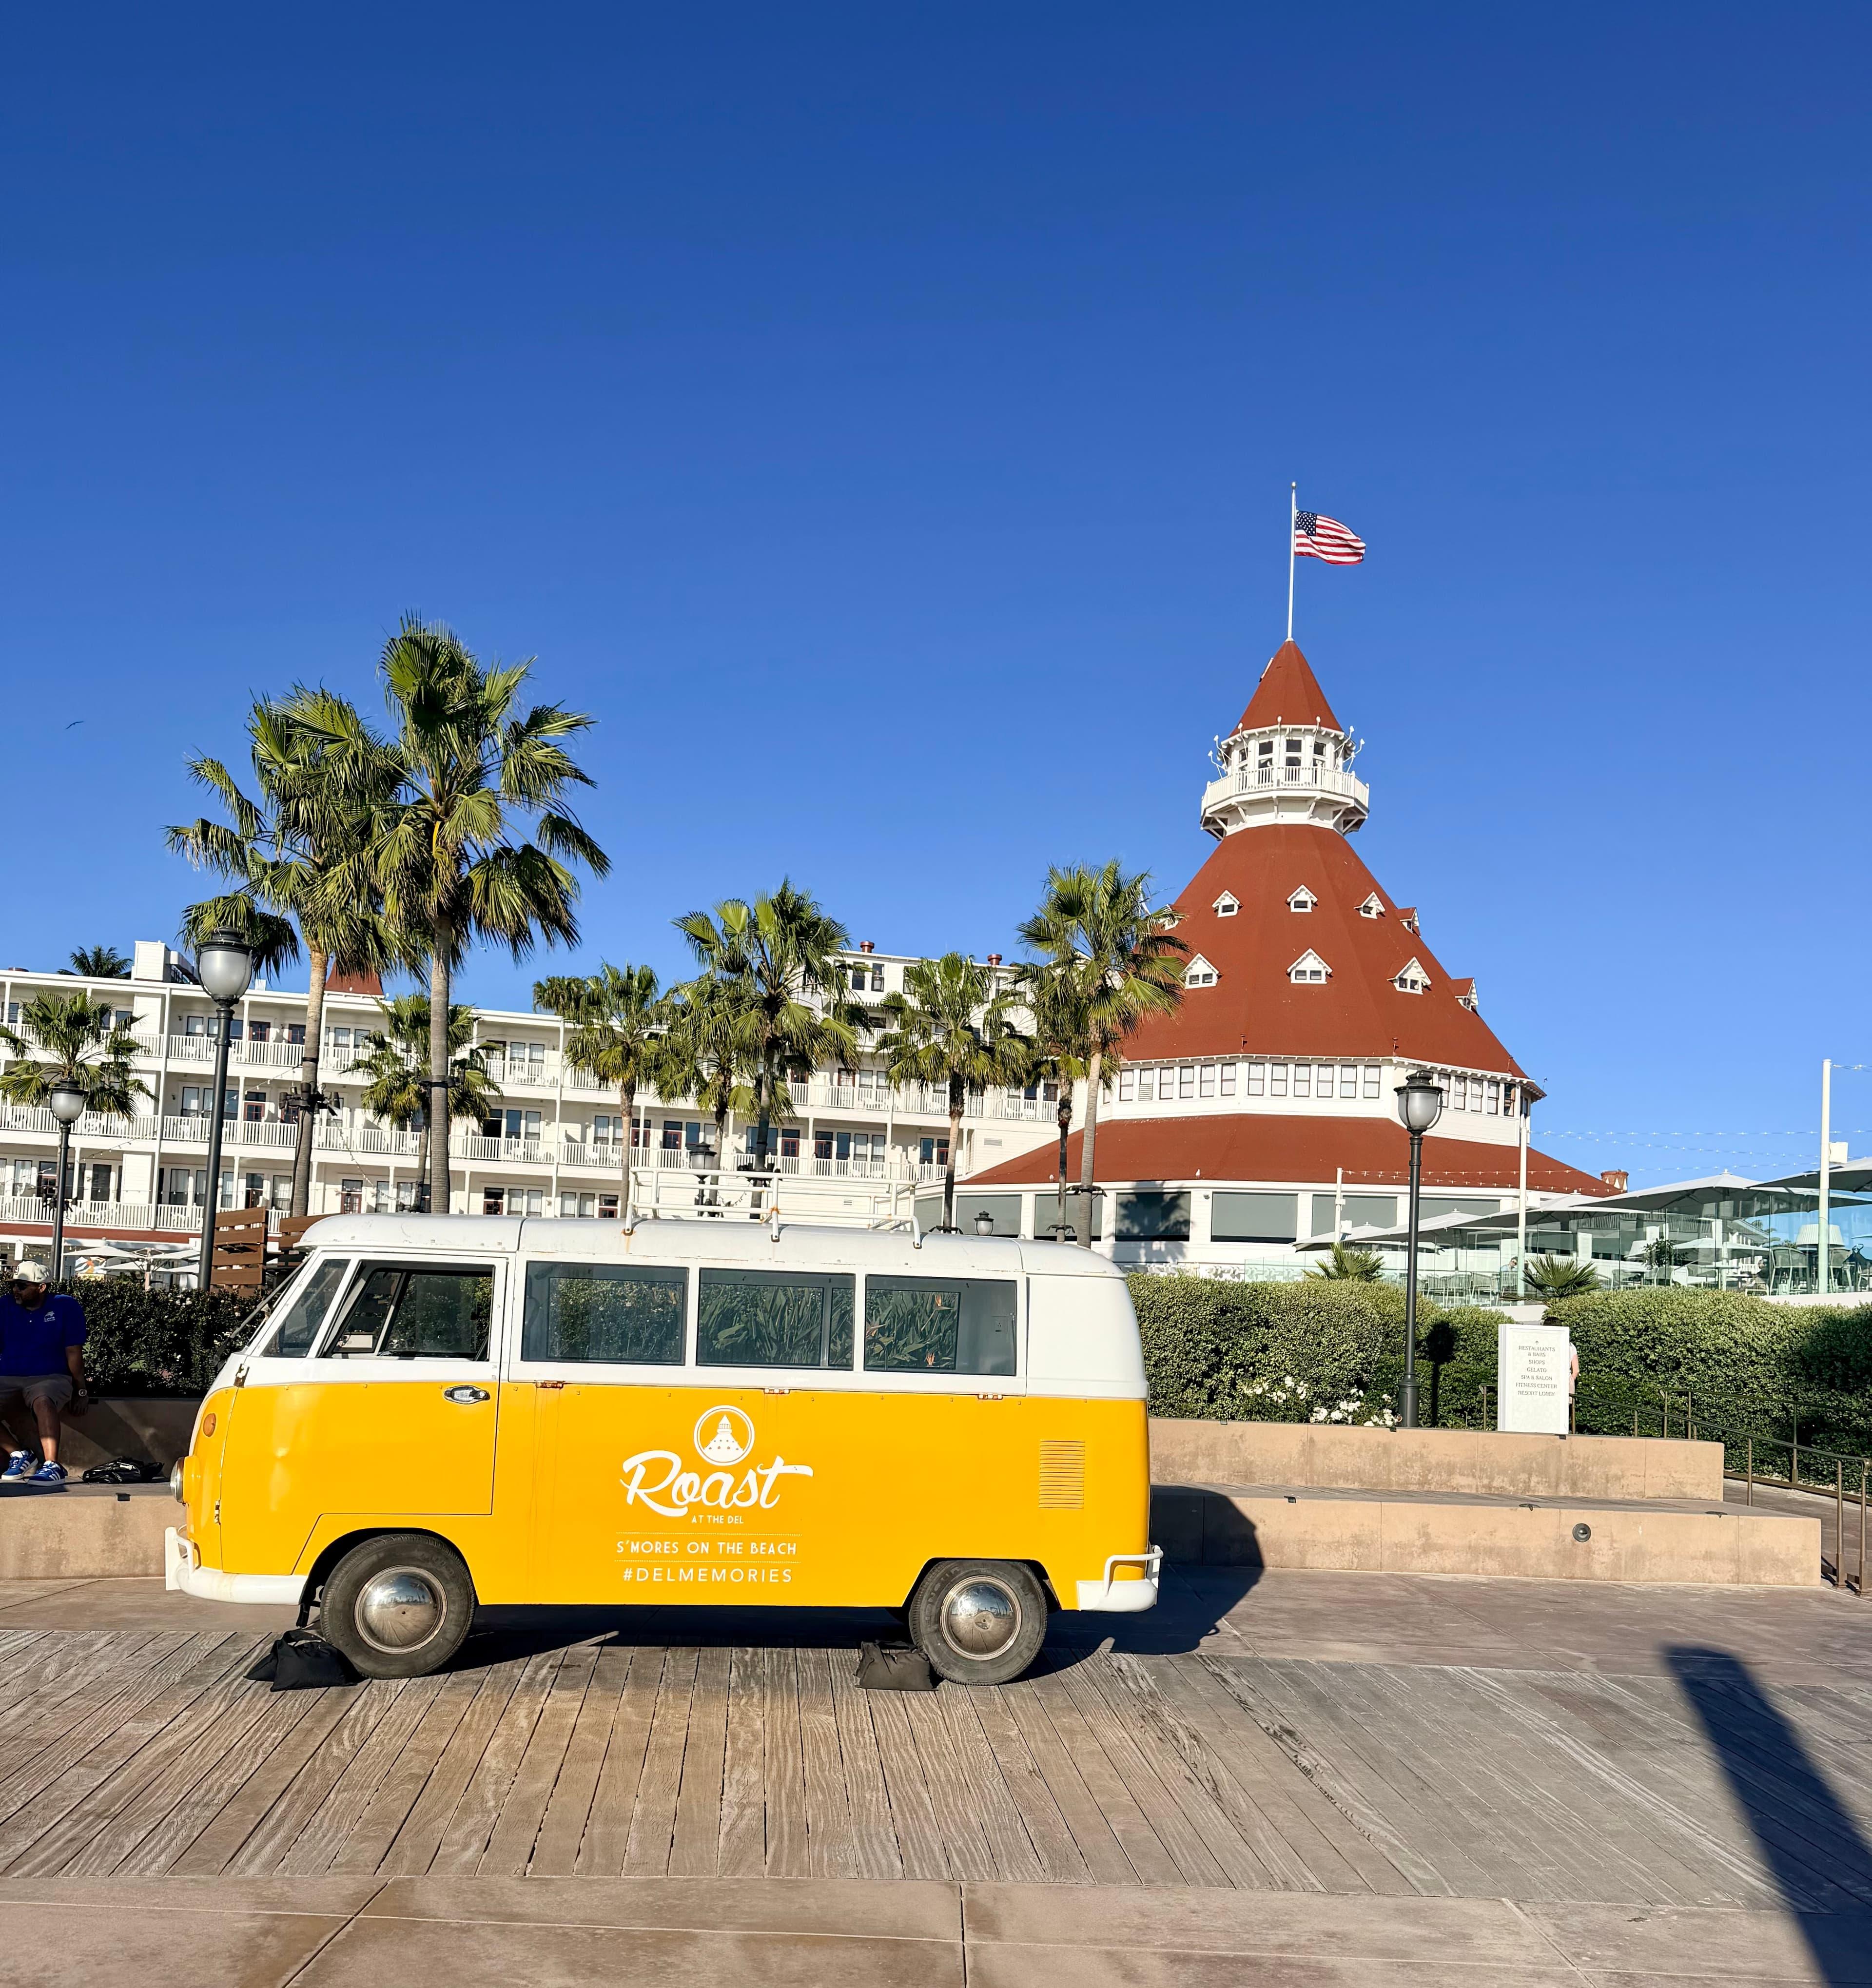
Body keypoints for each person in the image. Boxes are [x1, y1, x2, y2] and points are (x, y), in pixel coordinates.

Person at [0, 1260, 89, 1485]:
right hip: (8, 1376)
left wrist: (80, 1390)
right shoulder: (4, 1306)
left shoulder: (64, 1306)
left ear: (42, 1287)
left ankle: (52, 1465)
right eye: (14, 1285)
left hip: (50, 1377)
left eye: (22, 1286)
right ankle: (19, 1455)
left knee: (42, 1399)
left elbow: (73, 1352)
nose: (15, 1291)